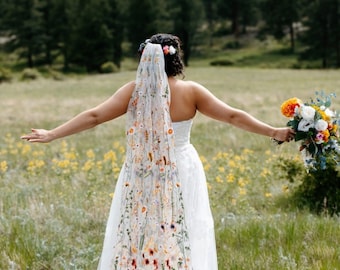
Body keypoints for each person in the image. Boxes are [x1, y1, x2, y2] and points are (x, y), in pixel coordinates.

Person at [21, 33, 295, 270]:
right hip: (182, 167)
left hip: (143, 167)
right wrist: (274, 131)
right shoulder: (191, 91)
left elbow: (94, 116)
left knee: (141, 227)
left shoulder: (134, 91)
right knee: (185, 225)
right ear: (175, 58)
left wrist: (53, 134)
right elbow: (233, 117)